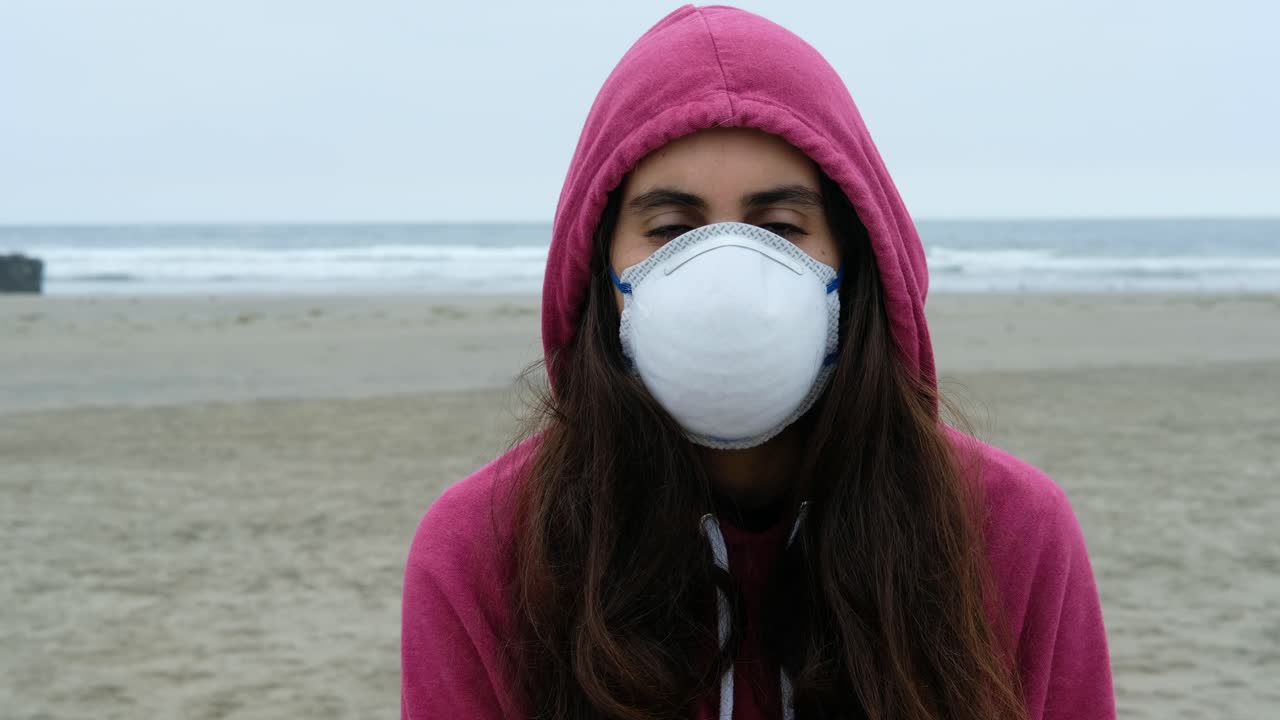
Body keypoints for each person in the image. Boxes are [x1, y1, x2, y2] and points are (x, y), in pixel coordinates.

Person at [401, 5, 1115, 719]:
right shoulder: (484, 553)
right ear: (600, 273)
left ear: (855, 260)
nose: (725, 278)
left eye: (779, 227)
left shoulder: (1008, 534)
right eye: (672, 229)